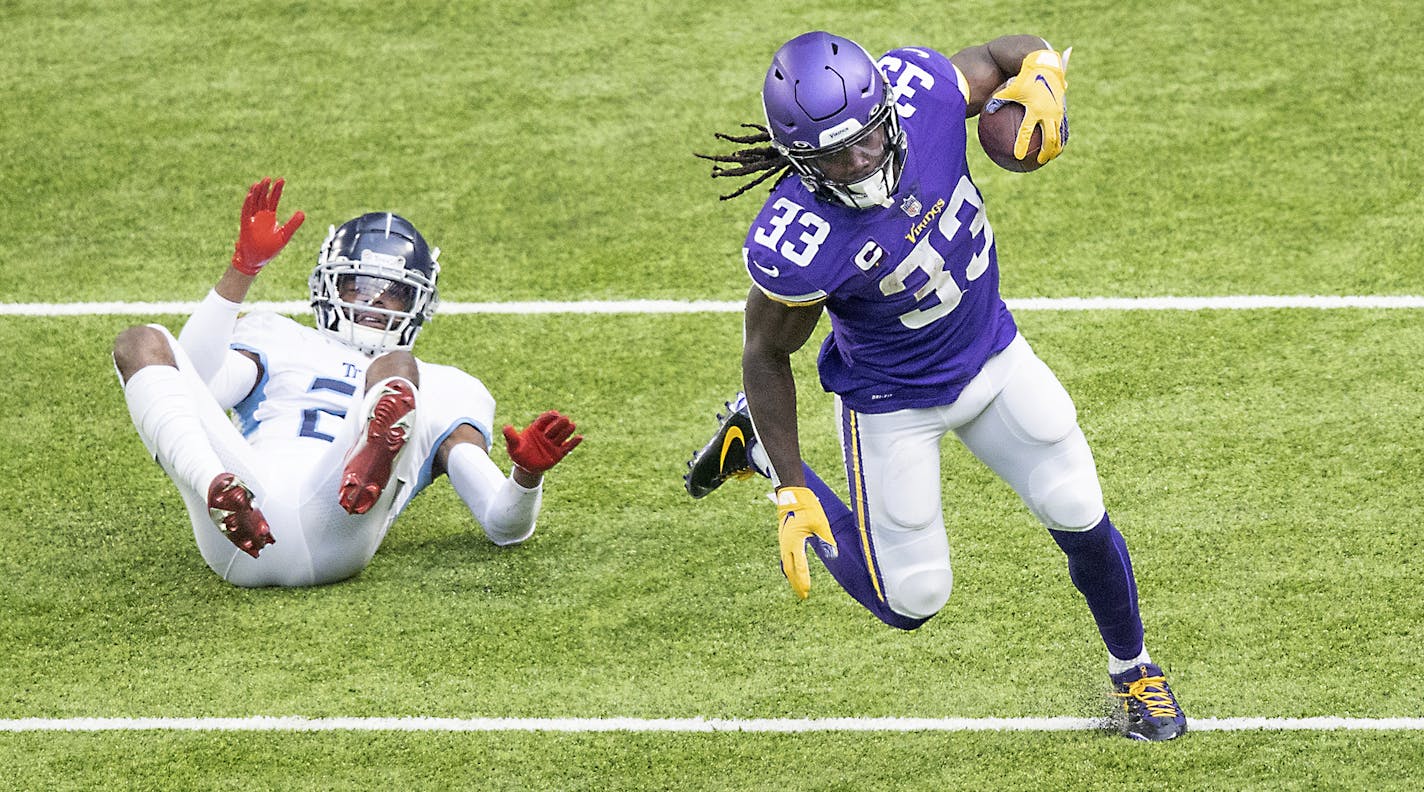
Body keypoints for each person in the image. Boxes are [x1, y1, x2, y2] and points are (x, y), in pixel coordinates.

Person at [685, 32, 1186, 741]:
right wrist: (794, 487)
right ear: (800, 162)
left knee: (1079, 508)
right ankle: (762, 449)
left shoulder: (923, 95)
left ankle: (1135, 672)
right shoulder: (801, 238)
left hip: (991, 353)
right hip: (892, 401)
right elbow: (765, 353)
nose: (859, 162)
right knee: (911, 600)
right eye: (833, 155)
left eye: (866, 138)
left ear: (888, 109)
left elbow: (1000, 55)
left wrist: (1042, 69)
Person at [113, 178, 581, 587]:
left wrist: (525, 477)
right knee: (141, 342)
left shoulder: (443, 384)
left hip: (336, 529)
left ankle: (362, 470)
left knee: (397, 369)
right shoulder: (275, 334)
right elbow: (198, 381)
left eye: (392, 293)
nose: (372, 304)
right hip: (244, 512)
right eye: (356, 285)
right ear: (328, 287)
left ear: (418, 304)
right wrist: (242, 271)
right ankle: (215, 484)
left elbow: (503, 523)